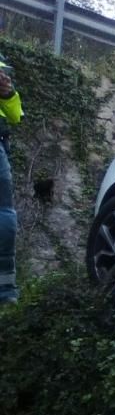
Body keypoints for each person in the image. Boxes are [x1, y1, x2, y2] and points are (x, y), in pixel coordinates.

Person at [0, 53, 23, 305]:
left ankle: (5, 293)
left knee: (5, 218)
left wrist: (7, 94)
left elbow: (15, 115)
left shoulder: (2, 64)